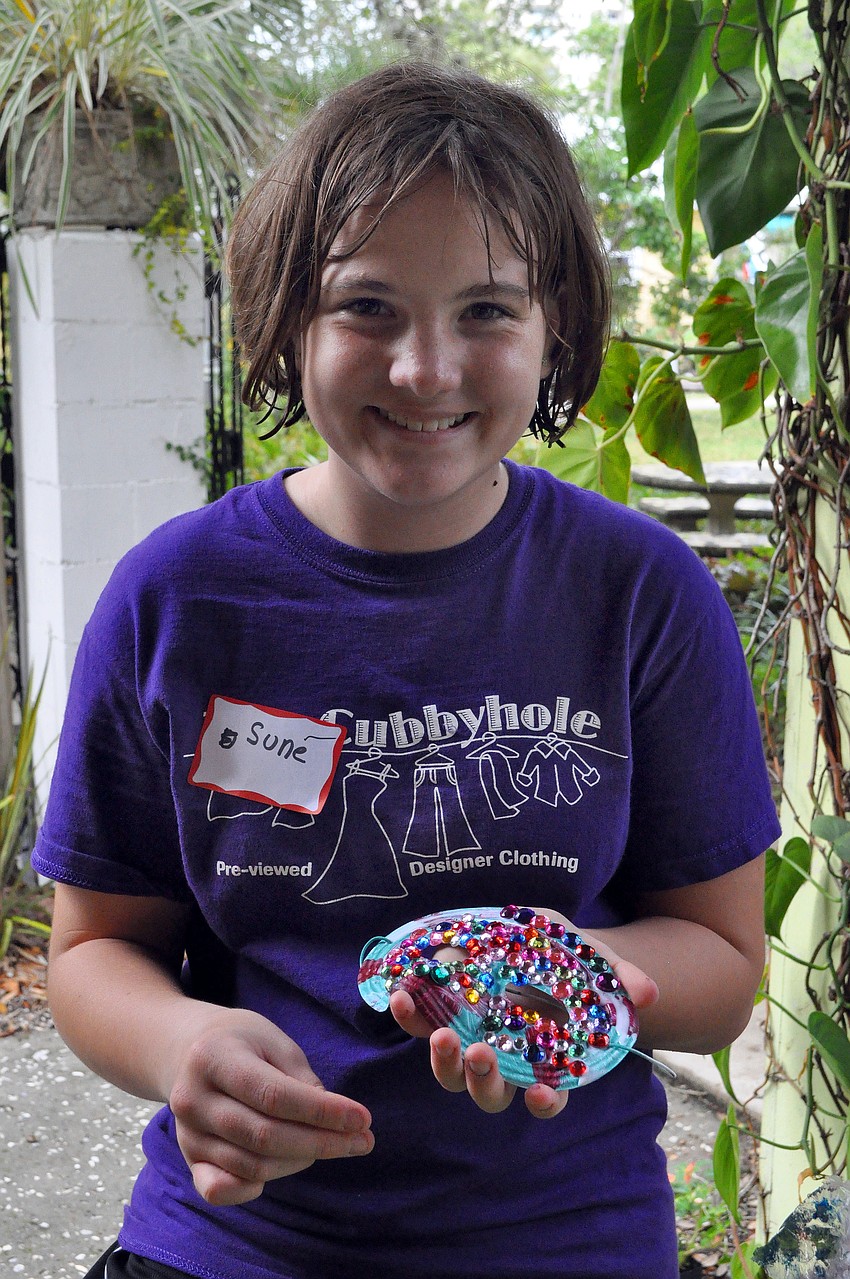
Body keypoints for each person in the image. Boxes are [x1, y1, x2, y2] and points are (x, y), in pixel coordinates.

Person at [33, 60, 780, 1279]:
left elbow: (727, 965)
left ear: (554, 328)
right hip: (237, 1240)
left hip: (564, 1240)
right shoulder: (176, 595)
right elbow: (89, 951)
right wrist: (178, 1041)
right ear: (286, 317)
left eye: (485, 310)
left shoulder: (639, 595)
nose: (425, 369)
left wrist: (572, 976)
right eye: (365, 306)